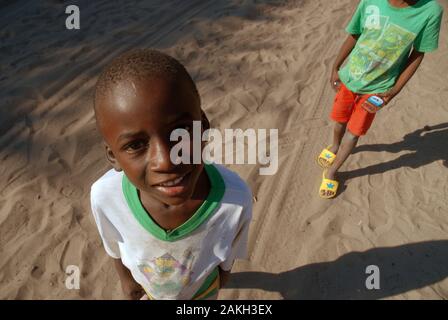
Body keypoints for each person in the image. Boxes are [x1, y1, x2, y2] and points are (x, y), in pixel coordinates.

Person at [90, 49, 252, 299]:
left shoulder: (235, 200)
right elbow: (114, 247)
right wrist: (127, 283)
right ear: (113, 157)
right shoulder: (104, 197)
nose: (166, 161)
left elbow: (226, 262)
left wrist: (220, 282)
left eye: (181, 132)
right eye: (135, 145)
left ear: (204, 125)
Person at [317, 0, 443, 198]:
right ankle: (334, 145)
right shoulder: (370, 1)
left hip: (378, 89)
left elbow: (418, 54)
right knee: (339, 121)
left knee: (353, 133)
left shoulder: (430, 11)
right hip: (350, 78)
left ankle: (332, 171)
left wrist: (394, 91)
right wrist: (336, 67)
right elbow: (355, 33)